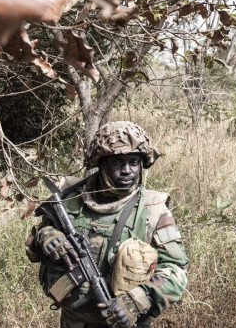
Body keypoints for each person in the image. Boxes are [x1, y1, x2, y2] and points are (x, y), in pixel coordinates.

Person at [25, 121, 189, 328]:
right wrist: (47, 236)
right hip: (74, 321)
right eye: (118, 163)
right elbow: (34, 248)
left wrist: (135, 301)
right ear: (102, 164)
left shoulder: (153, 209)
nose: (127, 171)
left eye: (133, 162)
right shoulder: (70, 199)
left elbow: (176, 271)